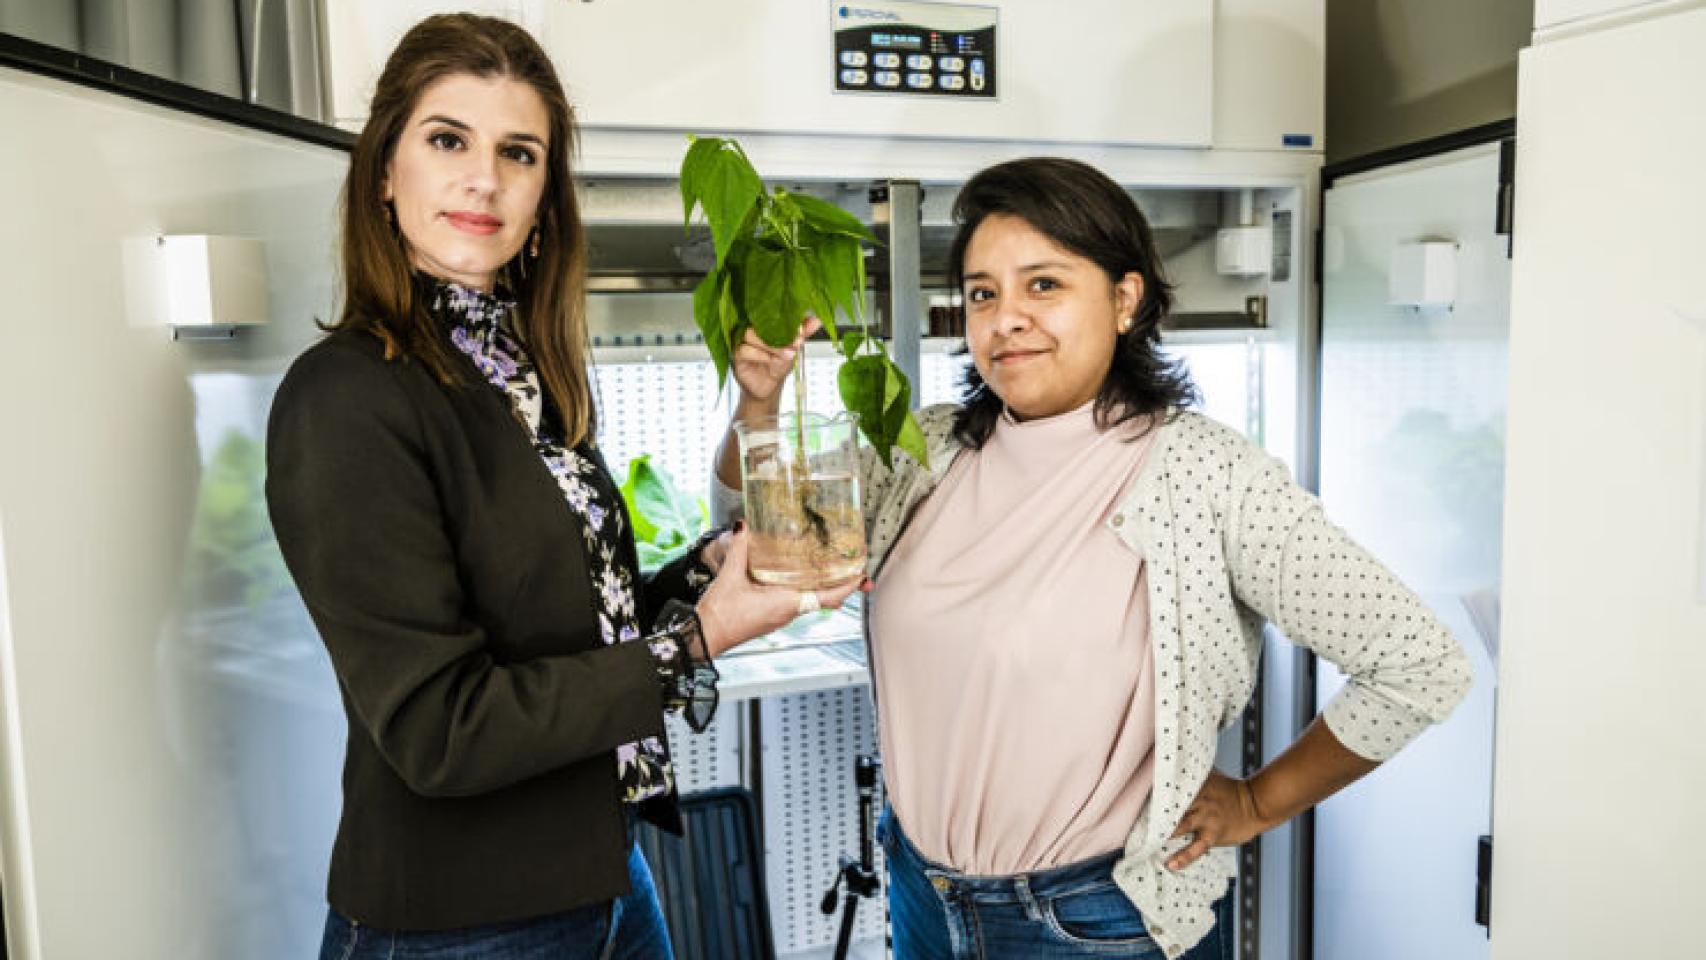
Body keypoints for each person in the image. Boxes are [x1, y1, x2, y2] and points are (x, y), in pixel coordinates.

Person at [715, 157, 1473, 959]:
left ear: (1124, 299)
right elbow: (751, 538)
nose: (1006, 319)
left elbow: (1419, 664)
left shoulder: (1206, 474)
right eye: (982, 293)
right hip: (922, 896)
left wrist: (1257, 802)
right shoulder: (926, 447)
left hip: (1097, 923)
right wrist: (758, 402)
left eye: (1043, 285)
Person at [266, 14, 852, 960]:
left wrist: (705, 572)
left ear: (545, 195)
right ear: (384, 172)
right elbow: (440, 730)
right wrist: (698, 640)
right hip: (459, 925)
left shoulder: (523, 377)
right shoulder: (346, 396)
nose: (484, 179)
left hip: (608, 881)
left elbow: (575, 627)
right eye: (447, 140)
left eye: (519, 153)